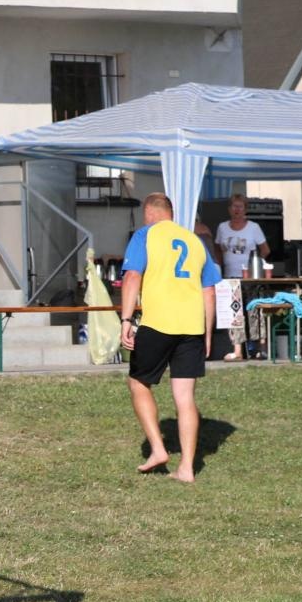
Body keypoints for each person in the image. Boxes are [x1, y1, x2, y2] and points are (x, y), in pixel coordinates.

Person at [117, 192, 219, 484]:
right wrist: (208, 333)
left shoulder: (144, 236)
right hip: (192, 327)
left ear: (149, 213)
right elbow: (209, 291)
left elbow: (133, 276)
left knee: (138, 382)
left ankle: (158, 449)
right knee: (185, 398)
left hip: (158, 323)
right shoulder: (195, 240)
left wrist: (126, 319)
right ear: (170, 213)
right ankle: (187, 468)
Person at [213, 194, 269, 361]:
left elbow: (265, 249)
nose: (237, 210)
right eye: (234, 206)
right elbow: (217, 248)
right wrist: (220, 266)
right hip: (230, 275)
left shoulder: (253, 227)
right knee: (234, 312)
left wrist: (256, 265)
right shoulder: (222, 227)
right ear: (229, 209)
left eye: (240, 206)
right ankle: (237, 350)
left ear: (245, 209)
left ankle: (261, 349)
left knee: (255, 310)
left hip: (251, 277)